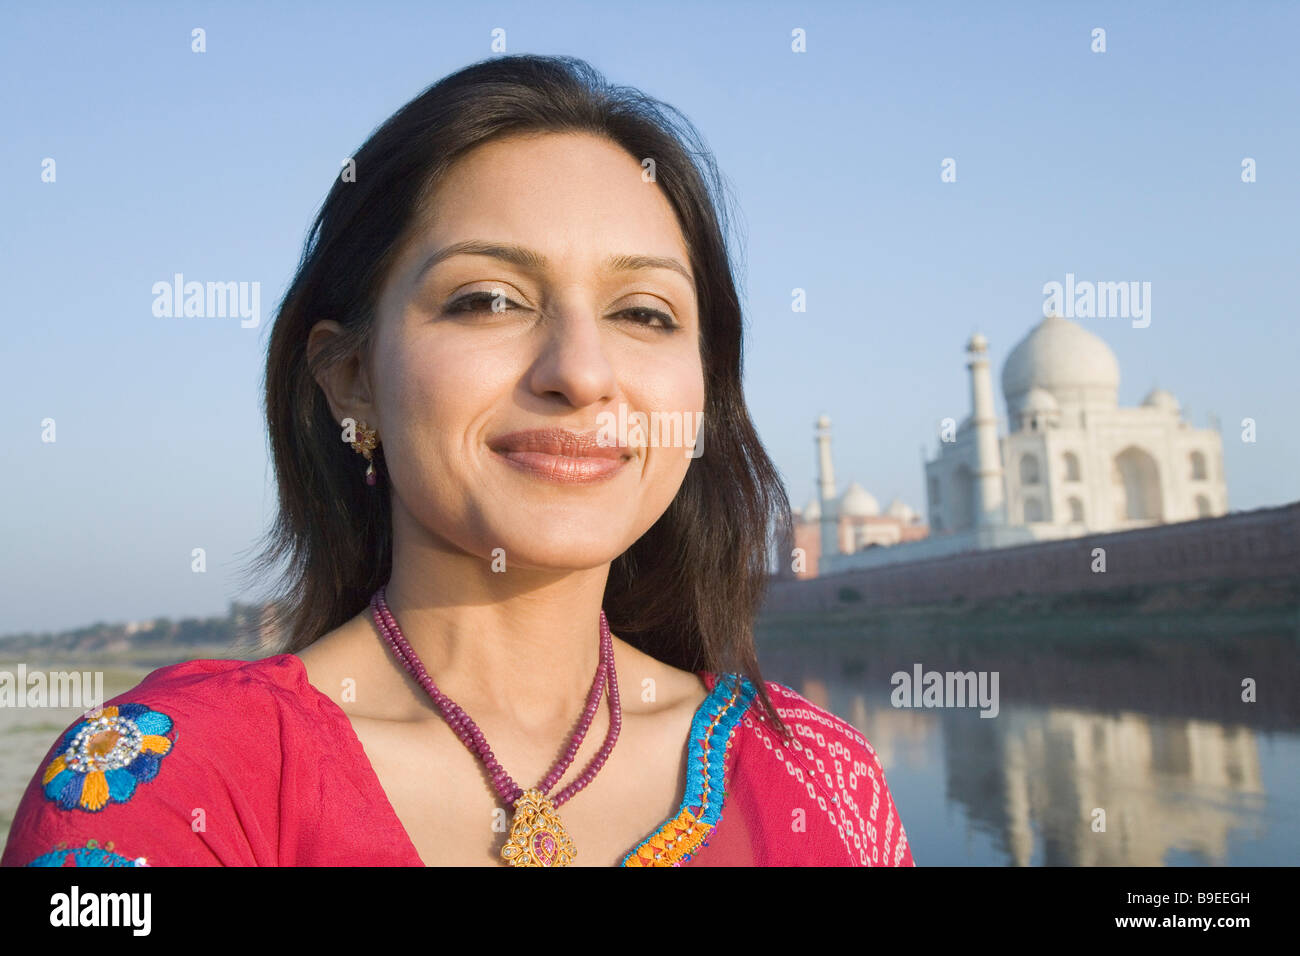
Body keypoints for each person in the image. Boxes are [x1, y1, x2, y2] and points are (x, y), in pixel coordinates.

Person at [2, 54, 913, 868]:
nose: (581, 374)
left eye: (644, 313)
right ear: (351, 378)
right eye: (487, 299)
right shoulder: (169, 785)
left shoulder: (822, 783)